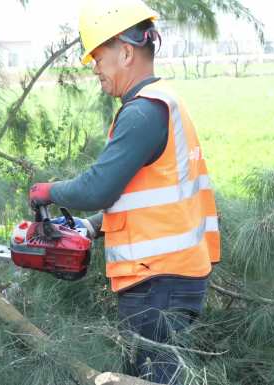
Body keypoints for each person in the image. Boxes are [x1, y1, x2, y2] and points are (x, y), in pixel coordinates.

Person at [28, 0, 220, 383]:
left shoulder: (143, 112)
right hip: (173, 276)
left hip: (156, 283)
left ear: (127, 52)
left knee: (152, 379)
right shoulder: (164, 102)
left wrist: (48, 190)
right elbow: (149, 192)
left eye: (98, 56)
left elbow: (99, 186)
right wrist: (93, 225)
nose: (95, 67)